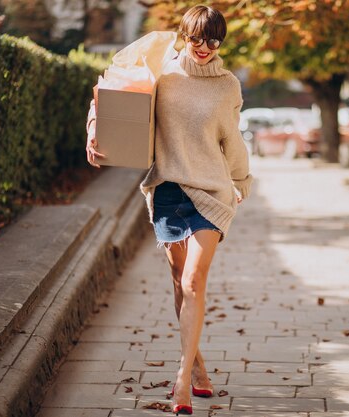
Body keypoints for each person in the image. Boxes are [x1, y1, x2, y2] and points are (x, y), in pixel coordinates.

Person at [85, 4, 253, 415]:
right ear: (184, 35)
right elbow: (111, 93)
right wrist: (95, 128)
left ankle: (181, 379)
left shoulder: (228, 85)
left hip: (212, 193)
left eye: (213, 40)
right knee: (179, 283)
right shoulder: (162, 72)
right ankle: (197, 367)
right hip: (168, 191)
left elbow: (232, 140)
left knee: (195, 281)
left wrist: (241, 182)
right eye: (196, 38)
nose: (203, 47)